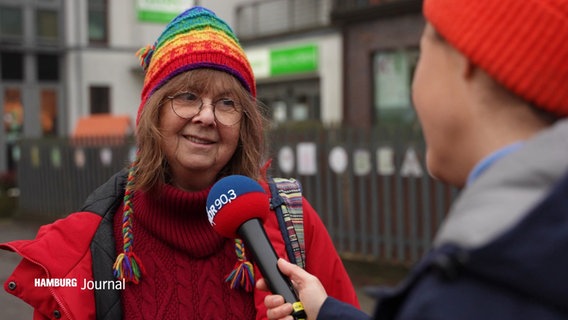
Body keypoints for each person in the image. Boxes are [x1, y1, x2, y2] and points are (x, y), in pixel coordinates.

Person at [0, 7, 359, 320]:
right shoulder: (88, 244)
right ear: (152, 114)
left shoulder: (291, 219)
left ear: (245, 124)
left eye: (227, 104)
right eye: (188, 96)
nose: (207, 117)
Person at [259, 0, 568, 319]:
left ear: (468, 60)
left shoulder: (479, 285)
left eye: (422, 55)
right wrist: (325, 312)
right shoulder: (530, 252)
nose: (413, 88)